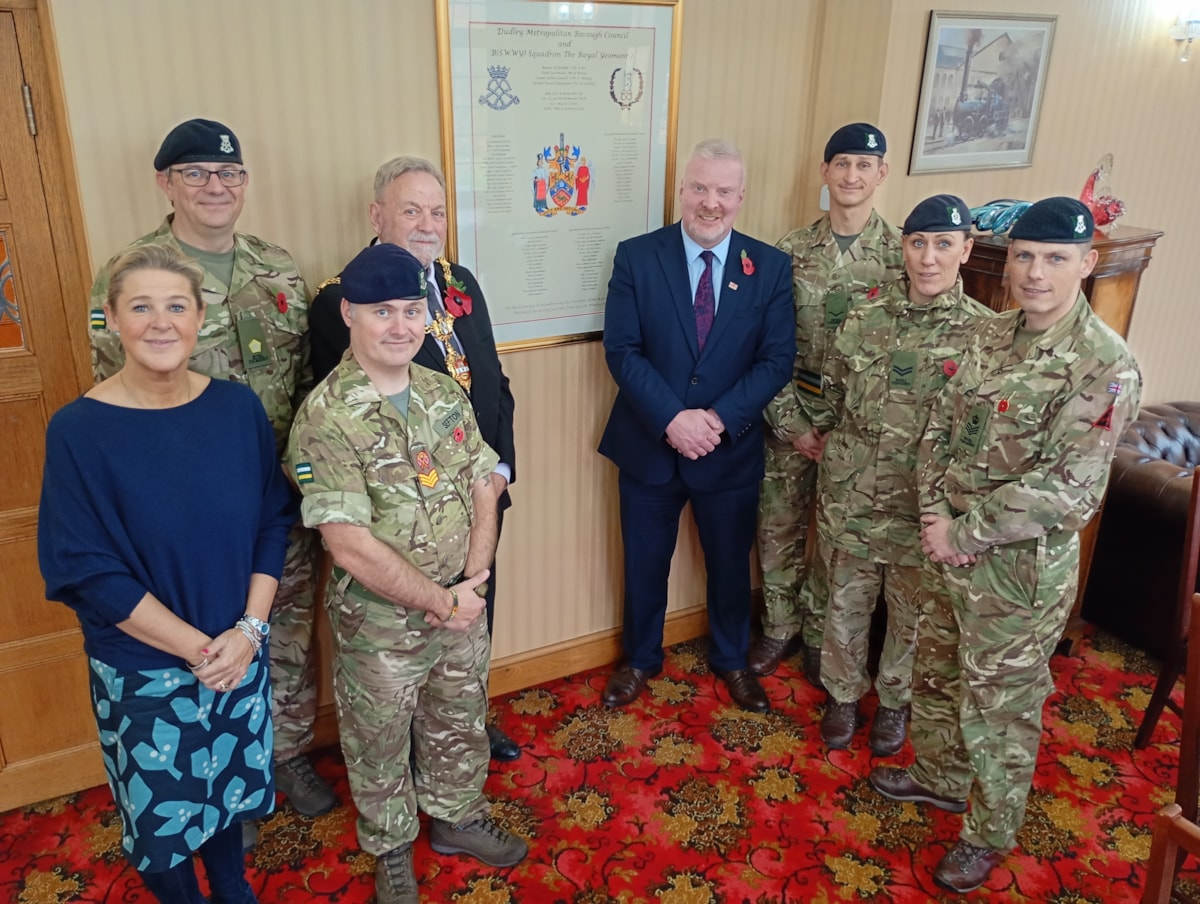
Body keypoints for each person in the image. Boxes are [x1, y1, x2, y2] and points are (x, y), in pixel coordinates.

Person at [868, 197, 1142, 894]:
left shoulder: (1103, 367)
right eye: (1024, 256)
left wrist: (961, 532)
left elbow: (1067, 491)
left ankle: (988, 832)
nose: (1035, 273)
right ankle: (938, 777)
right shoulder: (989, 336)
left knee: (1001, 708)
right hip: (946, 551)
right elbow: (937, 430)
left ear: (1085, 265)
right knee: (936, 674)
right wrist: (935, 517)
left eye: (1054, 259)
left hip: (1016, 576)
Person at [87, 119, 332, 826]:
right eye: (195, 173)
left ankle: (281, 756)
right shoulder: (132, 275)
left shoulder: (277, 266)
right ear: (166, 184)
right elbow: (117, 401)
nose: (214, 186)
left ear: (245, 184)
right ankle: (223, 777)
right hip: (189, 506)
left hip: (278, 494)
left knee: (283, 624)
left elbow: (307, 379)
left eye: (227, 174)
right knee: (200, 630)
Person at [39, 244, 296, 904]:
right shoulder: (78, 430)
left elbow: (273, 518)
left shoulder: (238, 411)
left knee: (228, 799)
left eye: (176, 305)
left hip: (239, 650)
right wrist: (198, 650)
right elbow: (86, 569)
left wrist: (248, 631)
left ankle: (234, 891)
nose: (161, 322)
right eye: (142, 306)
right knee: (163, 824)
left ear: (199, 316)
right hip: (147, 668)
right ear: (114, 319)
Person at [289, 243, 527, 904]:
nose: (400, 325)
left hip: (459, 604)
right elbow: (349, 545)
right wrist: (441, 601)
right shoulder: (326, 416)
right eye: (382, 311)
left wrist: (471, 585)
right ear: (350, 315)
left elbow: (486, 481)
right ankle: (391, 845)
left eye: (411, 309)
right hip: (380, 623)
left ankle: (455, 817)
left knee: (458, 715)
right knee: (379, 739)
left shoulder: (440, 391)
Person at [307, 155, 520, 762]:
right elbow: (355, 415)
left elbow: (494, 385)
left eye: (438, 211)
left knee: (474, 611)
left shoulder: (460, 283)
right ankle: (408, 748)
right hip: (404, 513)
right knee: (406, 635)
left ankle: (465, 721)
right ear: (377, 215)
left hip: (478, 496)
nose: (428, 224)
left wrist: (498, 471)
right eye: (411, 210)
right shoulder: (340, 300)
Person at [599, 138, 795, 714]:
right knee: (643, 565)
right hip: (649, 446)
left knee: (731, 567)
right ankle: (639, 659)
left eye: (725, 192)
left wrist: (714, 419)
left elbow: (776, 361)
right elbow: (623, 350)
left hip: (727, 450)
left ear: (742, 197)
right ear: (682, 190)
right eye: (701, 188)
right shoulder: (637, 256)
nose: (712, 203)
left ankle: (733, 660)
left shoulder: (771, 267)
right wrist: (671, 419)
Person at [809, 195, 991, 755]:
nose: (928, 259)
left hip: (925, 508)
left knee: (913, 615)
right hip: (855, 493)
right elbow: (830, 391)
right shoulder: (863, 316)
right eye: (917, 243)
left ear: (966, 248)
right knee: (845, 603)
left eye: (942, 244)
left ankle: (894, 703)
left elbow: (979, 434)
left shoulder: (986, 335)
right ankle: (842, 694)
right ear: (903, 248)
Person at [754, 123, 904, 685]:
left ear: (881, 174)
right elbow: (761, 346)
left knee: (839, 542)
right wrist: (794, 426)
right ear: (825, 173)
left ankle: (821, 636)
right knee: (777, 526)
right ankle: (779, 626)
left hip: (858, 428)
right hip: (788, 411)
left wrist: (847, 433)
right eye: (841, 164)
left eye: (864, 166)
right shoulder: (788, 251)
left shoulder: (901, 256)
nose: (851, 176)